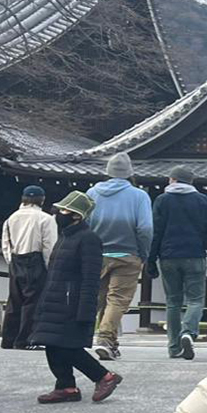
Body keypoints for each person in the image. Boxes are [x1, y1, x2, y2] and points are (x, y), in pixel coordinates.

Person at [29, 192, 122, 404]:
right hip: (55, 300)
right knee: (51, 343)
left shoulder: (88, 239)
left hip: (71, 302)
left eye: (64, 211)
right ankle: (66, 386)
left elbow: (91, 279)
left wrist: (86, 310)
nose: (58, 214)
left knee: (67, 346)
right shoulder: (65, 237)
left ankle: (104, 377)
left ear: (76, 216)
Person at [86, 152, 154, 361]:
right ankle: (106, 338)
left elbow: (84, 223)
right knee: (117, 299)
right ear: (129, 173)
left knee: (100, 298)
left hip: (97, 254)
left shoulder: (92, 193)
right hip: (127, 253)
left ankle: (110, 343)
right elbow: (145, 227)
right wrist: (144, 253)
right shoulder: (139, 195)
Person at [151, 165, 207, 360]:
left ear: (173, 180)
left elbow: (155, 232)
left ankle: (173, 347)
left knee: (173, 302)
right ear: (190, 182)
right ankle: (188, 333)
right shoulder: (201, 200)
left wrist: (150, 260)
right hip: (195, 255)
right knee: (195, 300)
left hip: (168, 256)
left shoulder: (162, 200)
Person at [1, 185, 57, 350]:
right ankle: (25, 340)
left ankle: (8, 340)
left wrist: (11, 261)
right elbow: (49, 246)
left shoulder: (11, 218)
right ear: (42, 199)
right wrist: (49, 267)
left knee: (14, 300)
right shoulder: (46, 219)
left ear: (23, 199)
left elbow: (5, 244)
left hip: (15, 259)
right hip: (35, 259)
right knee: (33, 302)